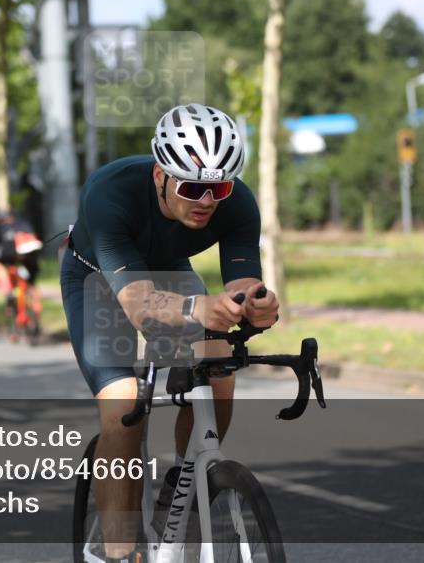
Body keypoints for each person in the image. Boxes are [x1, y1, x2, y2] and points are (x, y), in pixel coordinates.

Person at [60, 103, 280, 562]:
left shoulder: (236, 202)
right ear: (161, 175)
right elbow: (140, 304)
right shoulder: (109, 194)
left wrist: (256, 304)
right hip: (98, 280)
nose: (207, 201)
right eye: (193, 187)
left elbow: (242, 283)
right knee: (124, 404)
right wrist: (201, 307)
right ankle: (119, 553)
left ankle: (182, 482)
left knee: (219, 368)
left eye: (219, 187)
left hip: (169, 271)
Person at [0, 211, 43, 337]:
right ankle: (36, 308)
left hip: (8, 258)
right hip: (29, 258)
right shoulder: (25, 224)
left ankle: (8, 292)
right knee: (31, 283)